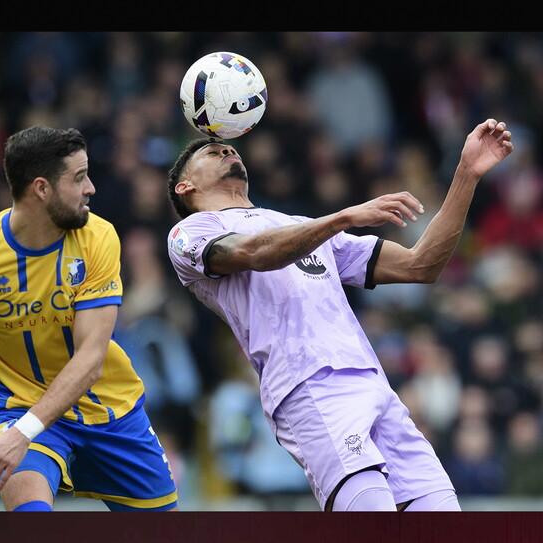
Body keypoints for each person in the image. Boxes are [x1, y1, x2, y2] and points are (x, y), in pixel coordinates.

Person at [165, 118, 513, 511]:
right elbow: (255, 253)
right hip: (309, 386)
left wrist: (466, 174)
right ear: (185, 186)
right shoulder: (189, 234)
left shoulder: (298, 225)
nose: (228, 149)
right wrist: (343, 218)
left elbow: (421, 265)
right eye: (213, 151)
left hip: (375, 385)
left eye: (229, 147)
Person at [0, 126, 178, 511]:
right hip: (20, 405)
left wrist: (21, 434)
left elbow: (90, 360)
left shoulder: (98, 238)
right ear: (41, 189)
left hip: (110, 410)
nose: (91, 187)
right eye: (79, 178)